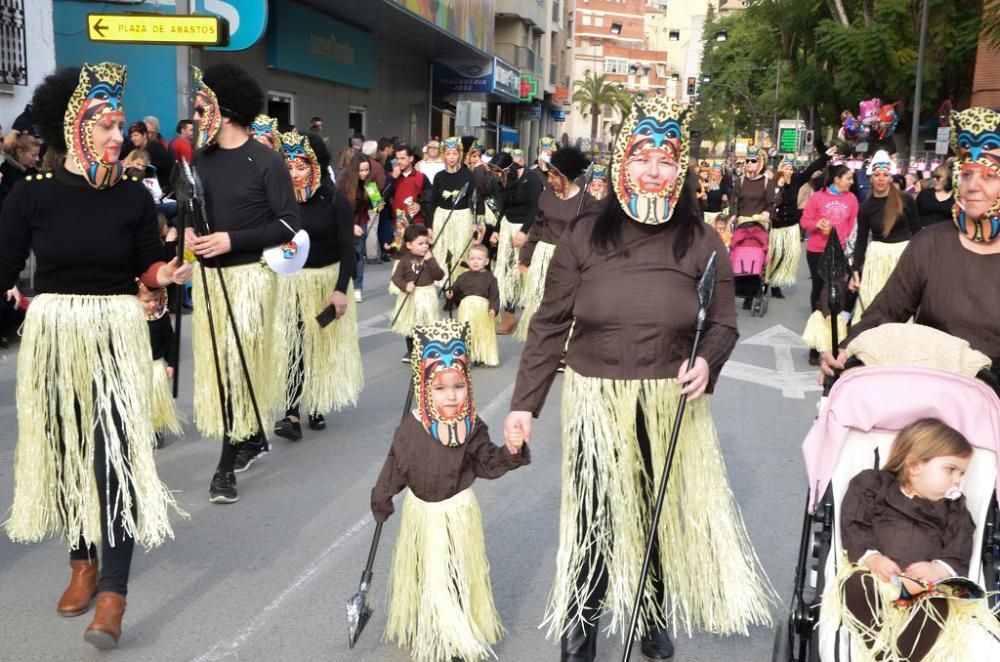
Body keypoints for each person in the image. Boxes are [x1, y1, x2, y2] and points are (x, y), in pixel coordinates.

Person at [503, 97, 774, 662]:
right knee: (594, 512)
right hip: (596, 398)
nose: (654, 169)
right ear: (622, 163)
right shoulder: (582, 235)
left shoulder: (702, 240)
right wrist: (524, 405)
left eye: (667, 158)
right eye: (643, 157)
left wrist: (707, 361)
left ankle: (651, 615)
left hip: (668, 399)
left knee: (652, 510)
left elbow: (722, 323)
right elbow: (550, 324)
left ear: (681, 169)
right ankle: (581, 632)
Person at [0, 63, 191, 649]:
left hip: (115, 330)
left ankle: (113, 594)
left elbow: (146, 266)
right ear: (75, 129)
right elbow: (4, 266)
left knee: (115, 459)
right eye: (104, 124)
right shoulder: (31, 196)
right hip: (56, 334)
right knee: (67, 454)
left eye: (120, 124)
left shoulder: (134, 196)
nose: (117, 135)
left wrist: (166, 272)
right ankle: (81, 562)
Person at [371, 319, 530, 662]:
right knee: (426, 570)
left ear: (467, 385)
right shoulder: (411, 429)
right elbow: (395, 466)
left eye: (458, 386)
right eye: (441, 389)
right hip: (422, 516)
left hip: (458, 513)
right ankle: (425, 619)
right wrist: (382, 497)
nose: (451, 395)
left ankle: (453, 632)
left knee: (455, 572)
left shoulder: (471, 427)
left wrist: (511, 451)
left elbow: (487, 463)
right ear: (424, 388)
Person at [187, 63, 301, 504]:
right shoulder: (201, 161)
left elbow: (289, 224)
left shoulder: (266, 160)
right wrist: (190, 236)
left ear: (224, 110)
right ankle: (249, 436)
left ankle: (224, 466)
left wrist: (232, 239)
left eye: (201, 109)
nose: (196, 117)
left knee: (236, 370)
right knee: (220, 372)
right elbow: (192, 215)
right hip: (210, 281)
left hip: (249, 279)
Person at [822, 107, 1000, 377]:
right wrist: (846, 351)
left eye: (989, 175)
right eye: (966, 173)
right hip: (929, 400)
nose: (973, 186)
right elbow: (884, 312)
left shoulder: (905, 201)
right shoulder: (930, 245)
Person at [827, 418, 1000, 661]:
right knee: (855, 585)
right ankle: (880, 649)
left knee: (938, 604)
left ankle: (902, 658)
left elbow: (959, 544)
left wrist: (939, 567)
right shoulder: (874, 485)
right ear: (915, 466)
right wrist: (872, 557)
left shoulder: (954, 508)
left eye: (962, 473)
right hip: (876, 577)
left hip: (921, 588)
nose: (958, 480)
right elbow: (854, 522)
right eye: (951, 470)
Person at [271, 130, 361, 441]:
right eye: (289, 166)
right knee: (294, 346)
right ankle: (291, 412)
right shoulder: (281, 201)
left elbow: (349, 250)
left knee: (318, 347)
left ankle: (318, 404)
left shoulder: (335, 201)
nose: (294, 174)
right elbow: (278, 242)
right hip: (293, 283)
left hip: (326, 281)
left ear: (316, 166)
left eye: (301, 166)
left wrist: (339, 290)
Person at [516, 146, 601, 342]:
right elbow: (537, 228)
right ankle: (543, 341)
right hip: (543, 256)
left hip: (570, 259)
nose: (549, 180)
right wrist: (525, 257)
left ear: (565, 176)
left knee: (565, 303)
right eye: (548, 175)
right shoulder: (546, 196)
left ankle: (564, 344)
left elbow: (592, 238)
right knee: (541, 302)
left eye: (554, 176)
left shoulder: (587, 202)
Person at [849, 151, 921, 324]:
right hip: (876, 259)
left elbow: (918, 233)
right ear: (871, 178)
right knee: (872, 300)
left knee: (899, 304)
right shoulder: (866, 208)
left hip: (902, 258)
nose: (881, 178)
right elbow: (861, 241)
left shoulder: (906, 200)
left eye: (885, 174)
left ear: (890, 177)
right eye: (877, 174)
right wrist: (855, 271)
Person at [800, 164, 859, 362]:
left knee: (837, 295)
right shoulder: (817, 197)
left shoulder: (851, 199)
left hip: (839, 252)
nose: (851, 182)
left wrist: (849, 250)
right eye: (848, 178)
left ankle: (834, 340)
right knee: (819, 295)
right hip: (817, 251)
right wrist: (817, 224)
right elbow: (805, 221)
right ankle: (816, 345)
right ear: (837, 179)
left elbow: (852, 226)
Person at [767, 147, 834, 299]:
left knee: (787, 256)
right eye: (786, 167)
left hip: (791, 227)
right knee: (774, 256)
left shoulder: (797, 180)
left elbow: (811, 169)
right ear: (780, 168)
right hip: (775, 227)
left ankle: (777, 285)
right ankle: (765, 282)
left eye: (791, 168)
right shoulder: (773, 183)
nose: (788, 170)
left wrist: (826, 156)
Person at [493, 152, 544, 335]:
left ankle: (534, 317)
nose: (497, 177)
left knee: (527, 273)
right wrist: (497, 230)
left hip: (527, 228)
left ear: (509, 168)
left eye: (499, 173)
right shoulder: (503, 180)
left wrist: (524, 232)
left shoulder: (532, 179)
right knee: (507, 272)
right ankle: (509, 316)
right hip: (508, 226)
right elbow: (503, 207)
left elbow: (535, 208)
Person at [137, 282, 182, 441]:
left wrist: (171, 363)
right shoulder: (132, 318)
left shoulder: (161, 316)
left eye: (156, 300)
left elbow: (170, 341)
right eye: (147, 301)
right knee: (139, 398)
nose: (152, 305)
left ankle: (156, 429)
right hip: (137, 365)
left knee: (155, 399)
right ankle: (140, 428)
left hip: (156, 364)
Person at [390, 224, 444, 358]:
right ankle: (411, 350)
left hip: (427, 294)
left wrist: (430, 260)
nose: (425, 246)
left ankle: (428, 348)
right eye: (420, 243)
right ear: (409, 245)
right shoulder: (404, 260)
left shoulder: (429, 258)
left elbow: (439, 275)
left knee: (427, 323)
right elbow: (396, 277)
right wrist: (404, 285)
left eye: (426, 243)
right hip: (411, 296)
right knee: (411, 323)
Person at [429, 136, 476, 285]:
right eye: (448, 154)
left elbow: (475, 199)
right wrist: (429, 226)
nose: (451, 157)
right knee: (444, 251)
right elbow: (432, 201)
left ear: (460, 155)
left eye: (454, 154)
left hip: (462, 217)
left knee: (459, 250)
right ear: (443, 155)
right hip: (442, 217)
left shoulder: (468, 175)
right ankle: (446, 284)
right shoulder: (439, 176)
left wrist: (476, 222)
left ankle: (458, 284)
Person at [446, 244, 500, 367]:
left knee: (481, 333)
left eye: (479, 259)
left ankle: (481, 356)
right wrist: (450, 292)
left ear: (486, 261)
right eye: (472, 259)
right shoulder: (463, 277)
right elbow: (455, 289)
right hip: (466, 309)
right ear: (468, 260)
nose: (475, 261)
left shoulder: (490, 278)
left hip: (482, 310)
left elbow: (494, 296)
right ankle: (466, 356)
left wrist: (493, 308)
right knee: (466, 332)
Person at [338, 153, 381, 302]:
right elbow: (338, 208)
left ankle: (357, 287)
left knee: (358, 252)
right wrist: (351, 225)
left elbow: (376, 203)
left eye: (367, 170)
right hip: (344, 220)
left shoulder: (369, 183)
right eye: (361, 170)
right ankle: (341, 286)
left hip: (361, 218)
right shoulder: (343, 184)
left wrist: (378, 202)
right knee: (342, 253)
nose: (364, 173)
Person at [121, 121, 174, 193]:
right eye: (131, 136)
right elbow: (119, 157)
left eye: (136, 135)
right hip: (135, 184)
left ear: (144, 135)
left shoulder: (156, 147)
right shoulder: (130, 145)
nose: (133, 138)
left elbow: (168, 164)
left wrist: (147, 165)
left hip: (157, 186)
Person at [0, 130, 40, 207]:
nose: (37, 159)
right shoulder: (8, 175)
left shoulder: (32, 170)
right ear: (20, 153)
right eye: (33, 155)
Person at [915, 163, 955, 228]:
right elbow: (914, 215)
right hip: (923, 233)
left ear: (948, 179)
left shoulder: (956, 197)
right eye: (934, 177)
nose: (934, 180)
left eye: (938, 177)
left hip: (946, 234)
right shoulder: (924, 194)